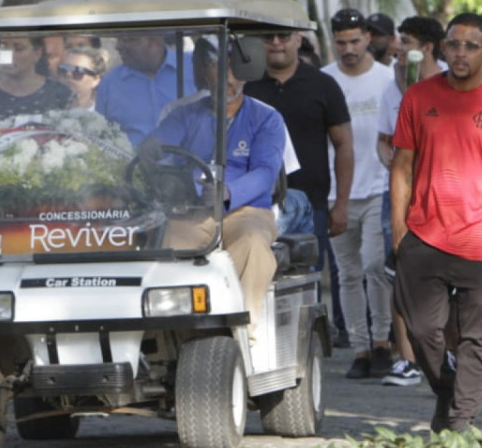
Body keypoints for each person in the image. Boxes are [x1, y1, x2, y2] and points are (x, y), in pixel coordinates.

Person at [391, 12, 482, 431]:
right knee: (423, 330)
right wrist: (399, 231)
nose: (459, 52)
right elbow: (402, 167)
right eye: (452, 44)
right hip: (424, 235)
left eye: (469, 45)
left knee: (476, 339)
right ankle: (446, 389)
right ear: (441, 48)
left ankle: (461, 422)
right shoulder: (418, 95)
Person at [142, 39, 285, 342]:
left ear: (245, 74)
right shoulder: (185, 115)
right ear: (205, 73)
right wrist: (150, 148)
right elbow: (160, 140)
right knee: (170, 245)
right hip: (194, 211)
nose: (228, 79)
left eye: (234, 70)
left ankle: (247, 329)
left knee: (251, 242)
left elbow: (265, 173)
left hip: (247, 210)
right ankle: (174, 333)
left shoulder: (267, 118)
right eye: (218, 69)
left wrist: (228, 191)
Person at [245, 31, 354, 347]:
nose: (276, 42)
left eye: (283, 36)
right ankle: (261, 344)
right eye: (267, 37)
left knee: (305, 279)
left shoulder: (323, 85)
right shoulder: (246, 84)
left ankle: (307, 350)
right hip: (252, 203)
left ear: (297, 40)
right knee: (258, 276)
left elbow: (343, 144)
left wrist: (341, 203)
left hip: (312, 204)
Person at [324, 8, 397, 378]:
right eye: (341, 42)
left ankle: (383, 340)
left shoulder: (388, 79)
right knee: (347, 273)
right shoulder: (324, 80)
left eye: (355, 41)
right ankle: (360, 349)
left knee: (374, 265)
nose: (348, 49)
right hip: (336, 194)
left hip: (378, 188)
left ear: (368, 38)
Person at [376, 16, 445, 387]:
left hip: (443, 195)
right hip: (402, 192)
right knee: (398, 272)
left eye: (406, 40)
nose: (397, 47)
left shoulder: (451, 82)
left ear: (427, 48)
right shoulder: (392, 87)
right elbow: (385, 138)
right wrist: (391, 158)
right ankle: (406, 359)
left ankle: (443, 353)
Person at [96, 35, 194, 145]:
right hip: (131, 161)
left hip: (191, 160)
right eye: (119, 39)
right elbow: (99, 136)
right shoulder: (110, 84)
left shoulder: (193, 69)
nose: (118, 46)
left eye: (128, 39)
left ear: (154, 41)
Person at [0, 36, 72, 127]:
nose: (9, 55)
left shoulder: (59, 93)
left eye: (18, 49)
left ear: (37, 53)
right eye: (4, 47)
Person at [57, 46, 107, 110]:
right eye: (64, 68)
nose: (68, 74)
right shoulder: (46, 110)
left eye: (77, 70)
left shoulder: (103, 115)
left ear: (95, 80)